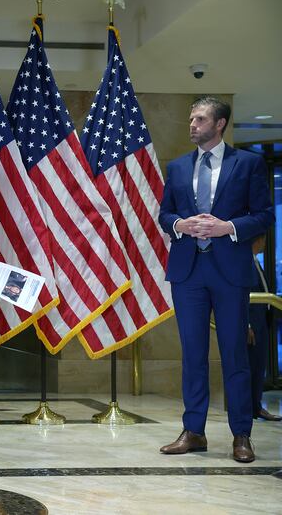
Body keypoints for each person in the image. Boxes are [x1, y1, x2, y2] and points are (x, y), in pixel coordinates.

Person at [158, 96, 274, 463]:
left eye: (200, 119)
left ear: (220, 124)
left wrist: (229, 227)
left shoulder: (249, 164)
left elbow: (265, 215)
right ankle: (193, 432)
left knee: (235, 355)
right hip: (188, 271)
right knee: (193, 356)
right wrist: (179, 224)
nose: (192, 124)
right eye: (191, 118)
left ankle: (242, 435)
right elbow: (164, 214)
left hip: (229, 272)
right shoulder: (177, 168)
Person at [248, 235, 282, 421]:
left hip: (263, 322)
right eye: (262, 240)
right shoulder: (244, 263)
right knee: (251, 368)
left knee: (259, 367)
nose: (264, 244)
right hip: (252, 325)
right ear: (256, 240)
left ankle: (256, 406)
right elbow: (242, 296)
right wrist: (247, 324)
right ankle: (250, 408)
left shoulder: (256, 262)